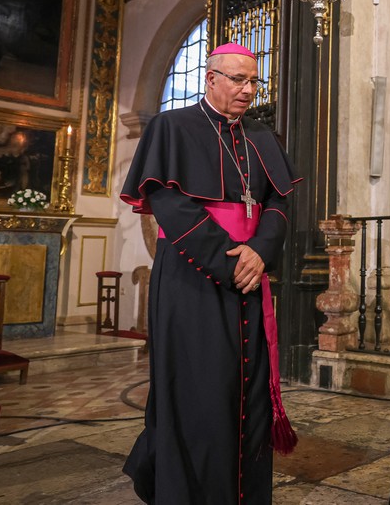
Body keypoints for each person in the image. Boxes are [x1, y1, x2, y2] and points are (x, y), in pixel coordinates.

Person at [121, 42, 299, 504]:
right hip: (192, 277)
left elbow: (277, 201)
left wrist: (260, 251)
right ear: (210, 78)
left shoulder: (262, 136)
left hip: (249, 275)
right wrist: (232, 261)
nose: (247, 90)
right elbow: (169, 203)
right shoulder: (171, 127)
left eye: (253, 81)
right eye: (237, 79)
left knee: (249, 394)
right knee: (198, 392)